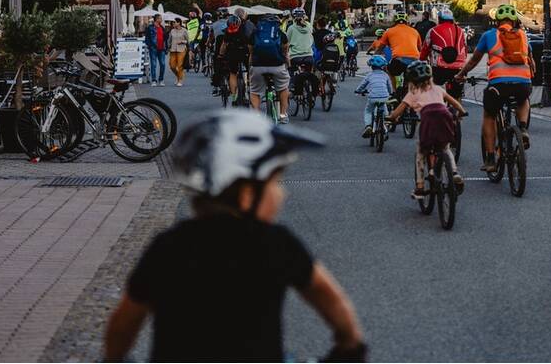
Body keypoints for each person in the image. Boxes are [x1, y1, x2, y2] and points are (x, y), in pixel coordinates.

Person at [104, 109, 365, 362]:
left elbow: (125, 319)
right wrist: (349, 343)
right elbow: (328, 297)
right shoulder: (274, 243)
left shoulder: (169, 245)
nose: (282, 194)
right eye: (275, 183)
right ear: (247, 193)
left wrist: (115, 358)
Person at [453, 3, 535, 172]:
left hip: (498, 85)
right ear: (514, 21)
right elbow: (531, 60)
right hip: (522, 83)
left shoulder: (489, 35)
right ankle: (523, 128)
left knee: (489, 116)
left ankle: (490, 158)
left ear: (497, 21)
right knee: (523, 99)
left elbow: (474, 60)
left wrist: (461, 74)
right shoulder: (523, 36)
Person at [388, 60, 465, 200]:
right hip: (444, 116)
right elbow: (454, 102)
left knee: (421, 153)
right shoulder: (438, 89)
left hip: (428, 119)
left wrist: (391, 118)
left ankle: (420, 187)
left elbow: (398, 111)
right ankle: (454, 173)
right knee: (446, 148)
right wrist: (462, 112)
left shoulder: (412, 92)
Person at [249, 13, 290, 120]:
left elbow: (251, 52)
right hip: (277, 65)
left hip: (258, 66)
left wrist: (251, 65)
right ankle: (283, 115)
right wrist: (287, 63)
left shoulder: (255, 34)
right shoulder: (280, 33)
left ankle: (256, 115)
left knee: (254, 91)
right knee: (283, 88)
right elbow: (285, 50)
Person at [369, 13, 422, 93]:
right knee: (412, 77)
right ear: (406, 21)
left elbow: (380, 49)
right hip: (414, 60)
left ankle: (394, 92)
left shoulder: (389, 31)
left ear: (395, 21)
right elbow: (420, 49)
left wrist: (373, 57)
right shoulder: (415, 31)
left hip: (398, 59)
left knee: (389, 71)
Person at [421, 7, 466, 101]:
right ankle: (458, 111)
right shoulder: (461, 31)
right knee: (457, 94)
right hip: (459, 67)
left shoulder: (433, 30)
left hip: (439, 67)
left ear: (439, 19)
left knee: (434, 87)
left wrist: (422, 59)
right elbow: (464, 48)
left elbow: (425, 48)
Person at [356, 55, 393, 139]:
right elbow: (389, 87)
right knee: (384, 108)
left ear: (371, 66)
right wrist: (390, 93)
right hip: (384, 97)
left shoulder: (369, 75)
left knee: (368, 111)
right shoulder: (385, 75)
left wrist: (358, 91)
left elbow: (362, 85)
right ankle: (385, 124)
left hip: (372, 97)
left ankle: (368, 126)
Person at [286, 8, 318, 101]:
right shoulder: (309, 26)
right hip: (309, 56)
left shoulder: (291, 28)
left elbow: (286, 42)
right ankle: (311, 91)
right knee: (309, 73)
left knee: (291, 71)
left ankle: (292, 86)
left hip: (295, 57)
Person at [218, 15, 252, 102]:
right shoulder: (244, 30)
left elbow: (224, 45)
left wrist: (221, 55)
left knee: (233, 74)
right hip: (244, 53)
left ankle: (234, 96)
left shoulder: (228, 32)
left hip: (232, 53)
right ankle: (249, 89)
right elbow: (249, 44)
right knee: (250, 71)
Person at [145, 14, 168, 87]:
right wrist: (150, 46)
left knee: (163, 64)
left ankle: (161, 80)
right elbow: (147, 38)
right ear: (156, 19)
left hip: (162, 49)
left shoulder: (162, 27)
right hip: (153, 48)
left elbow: (165, 38)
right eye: (160, 18)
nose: (161, 20)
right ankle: (154, 80)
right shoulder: (150, 28)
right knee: (154, 65)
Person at [167, 18, 190, 86]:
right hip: (173, 49)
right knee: (172, 66)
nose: (173, 24)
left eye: (174, 22)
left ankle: (180, 80)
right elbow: (169, 40)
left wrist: (182, 41)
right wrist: (168, 48)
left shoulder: (184, 31)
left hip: (182, 49)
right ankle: (178, 76)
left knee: (180, 66)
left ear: (179, 23)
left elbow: (188, 41)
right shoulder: (172, 31)